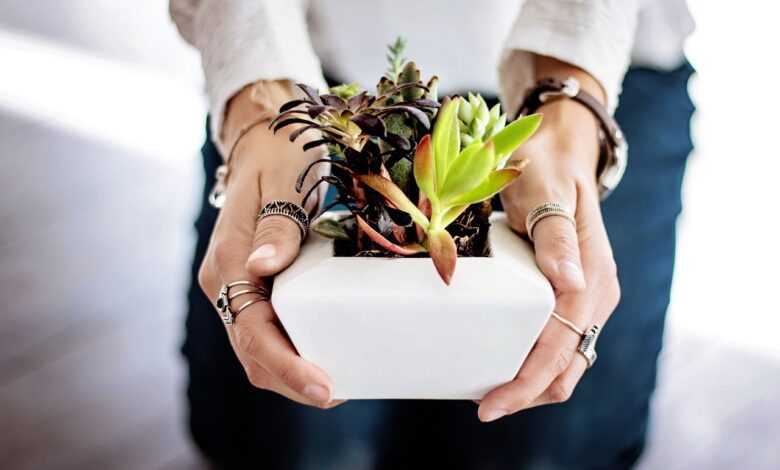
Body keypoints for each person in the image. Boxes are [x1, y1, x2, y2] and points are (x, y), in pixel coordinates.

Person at [171, 1, 695, 468]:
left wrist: (570, 90)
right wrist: (258, 97)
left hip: (603, 72)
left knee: (548, 448)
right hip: (321, 84)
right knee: (289, 442)